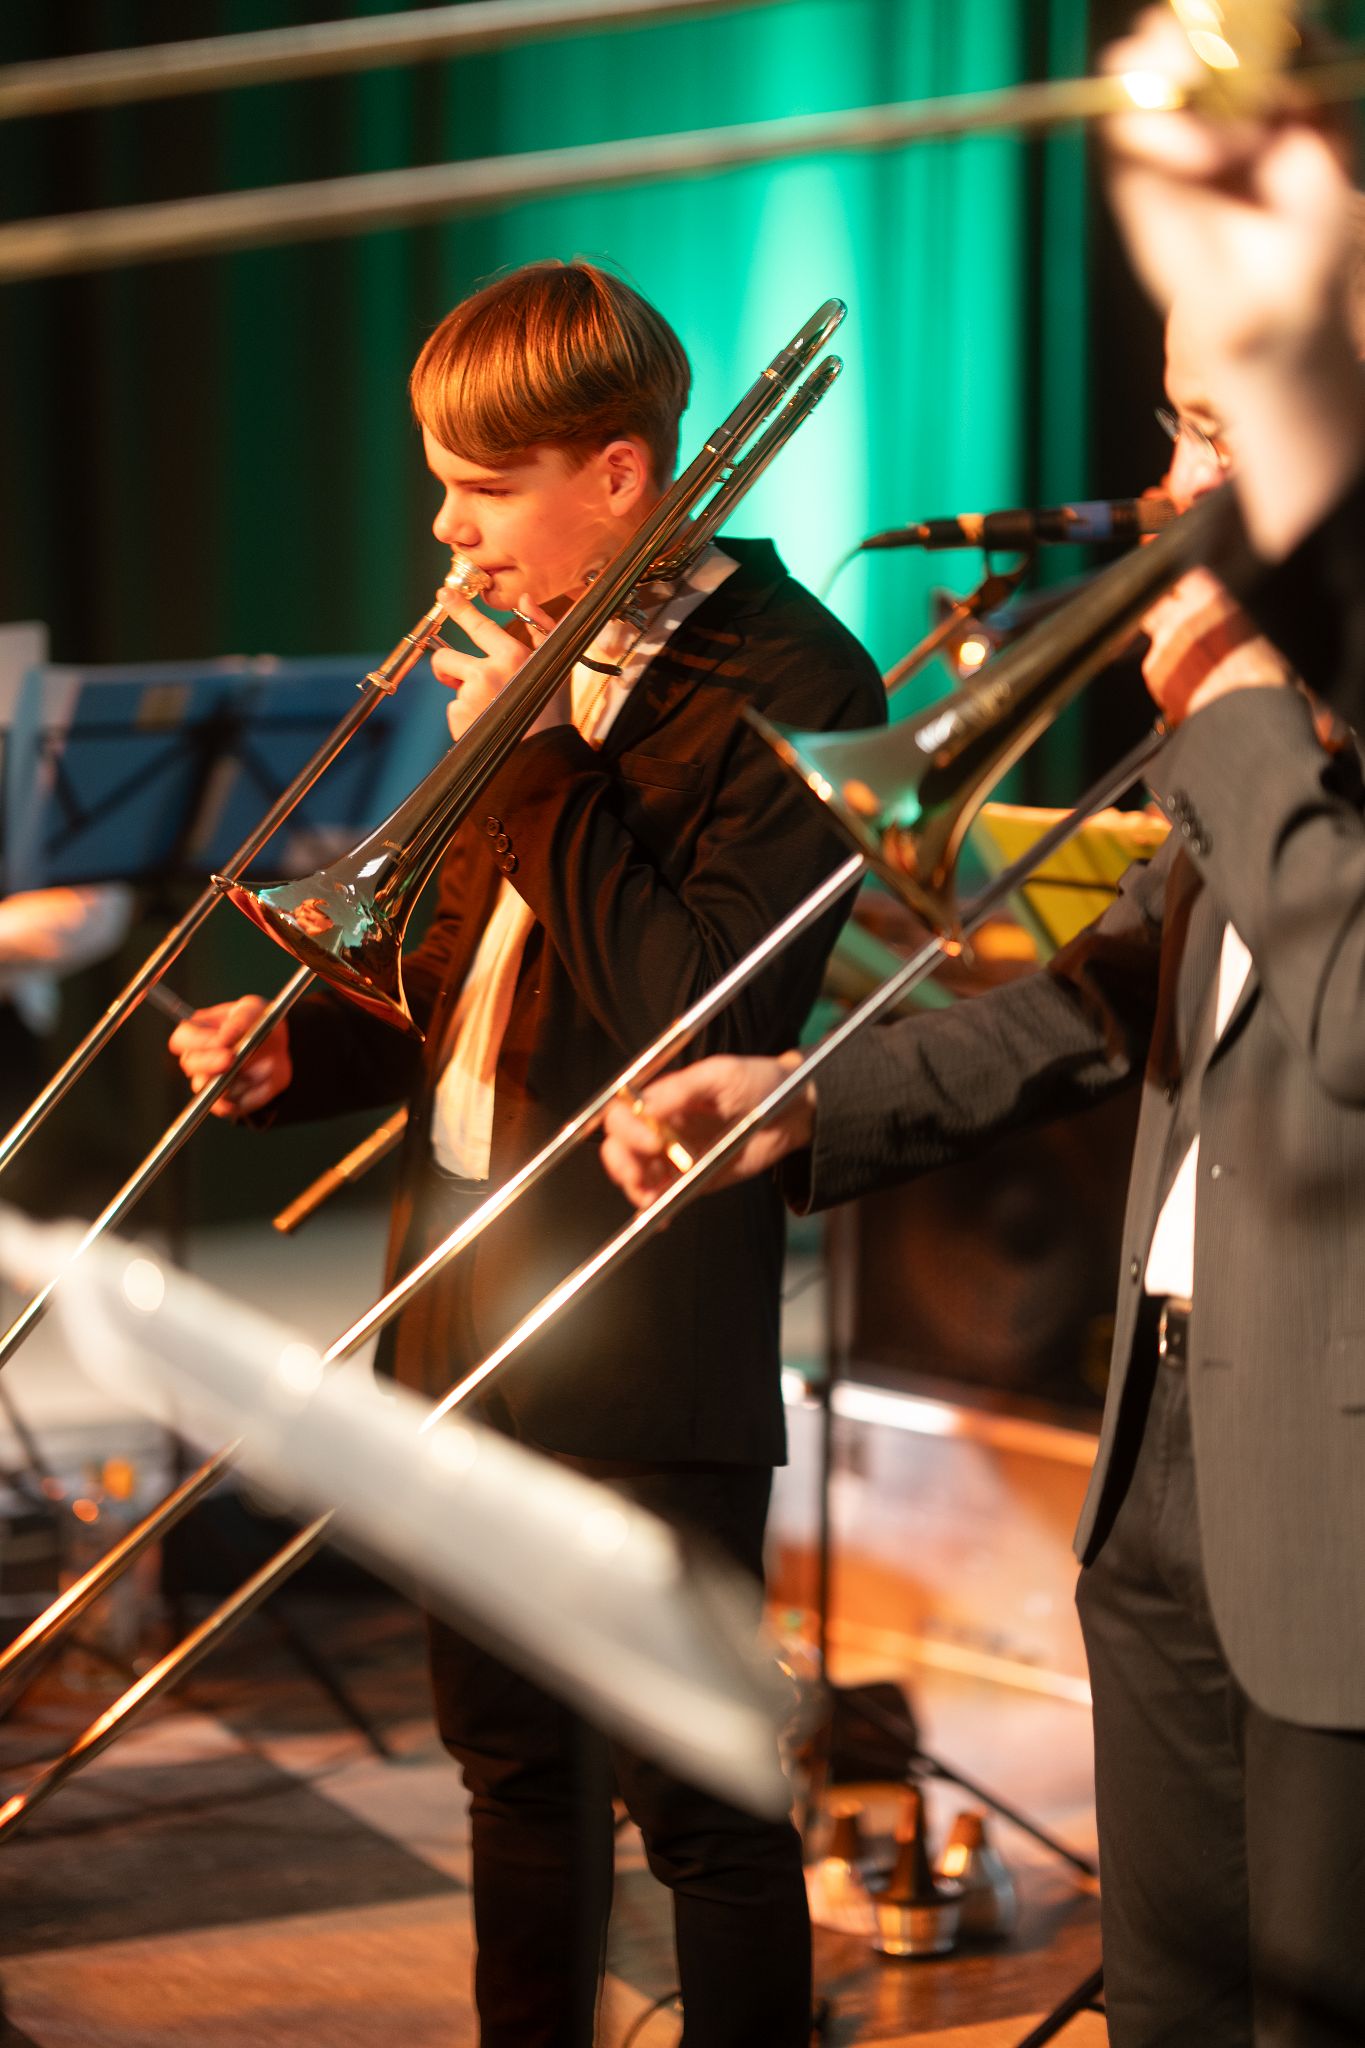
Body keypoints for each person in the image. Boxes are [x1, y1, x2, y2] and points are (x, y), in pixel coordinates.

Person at [601, 18, 1365, 2043]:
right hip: (1169, 1450)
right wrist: (801, 1101)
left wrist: (1238, 732)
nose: (1165, 490)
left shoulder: (1262, 719)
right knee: (1172, 2005)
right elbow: (1099, 995)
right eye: (1171, 423)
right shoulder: (1264, 709)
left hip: (1343, 1496)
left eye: (1218, 436)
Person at [169, 259, 885, 2046]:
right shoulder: (543, 656)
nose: (446, 528)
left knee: (699, 1805)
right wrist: (305, 1049)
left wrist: (535, 764)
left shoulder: (796, 678)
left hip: (639, 1317)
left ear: (620, 476)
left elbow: (698, 1013)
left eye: (485, 487)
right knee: (509, 1774)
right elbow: (475, 972)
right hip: (460, 1285)